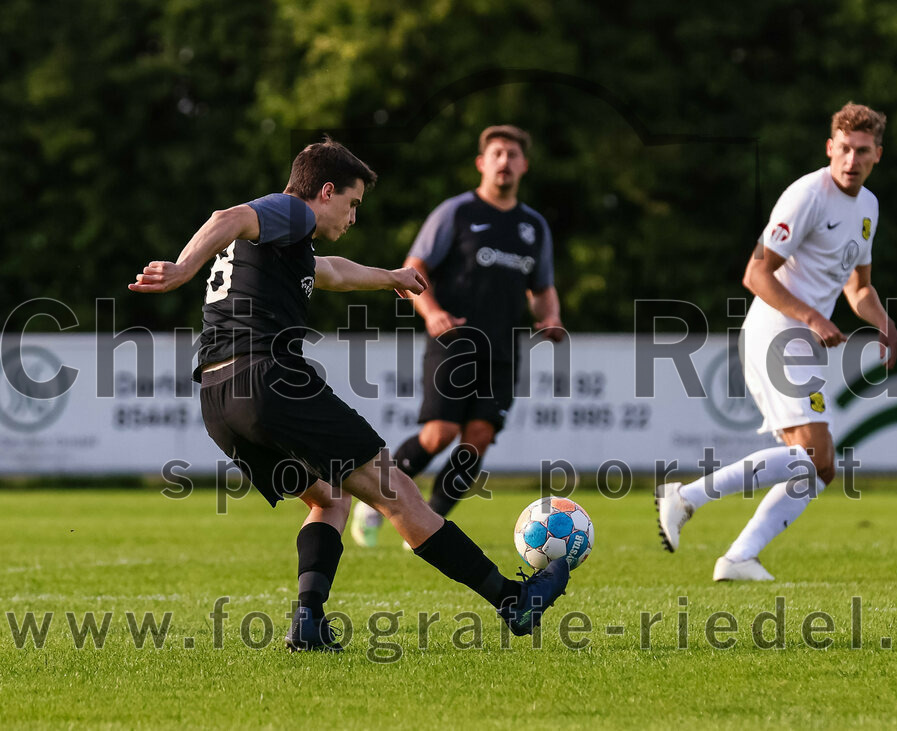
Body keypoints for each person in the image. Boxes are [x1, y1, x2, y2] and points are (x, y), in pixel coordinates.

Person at [128, 137, 569, 651]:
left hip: (219, 399)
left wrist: (391, 278)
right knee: (397, 493)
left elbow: (331, 270)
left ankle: (308, 622)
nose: (354, 216)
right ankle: (512, 601)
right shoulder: (292, 212)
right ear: (326, 191)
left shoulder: (281, 244)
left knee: (330, 498)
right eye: (353, 203)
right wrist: (182, 268)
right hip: (270, 382)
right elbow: (226, 215)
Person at [656, 103, 897, 581]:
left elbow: (858, 287)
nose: (852, 160)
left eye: (863, 151)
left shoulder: (868, 207)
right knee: (816, 456)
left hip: (803, 339)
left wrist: (887, 326)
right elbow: (755, 273)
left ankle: (739, 557)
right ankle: (686, 497)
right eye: (845, 149)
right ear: (830, 147)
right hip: (778, 330)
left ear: (878, 155)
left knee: (817, 468)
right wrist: (812, 315)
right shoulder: (808, 194)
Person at [351, 125, 564, 547]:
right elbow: (415, 266)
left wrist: (552, 317)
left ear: (524, 165)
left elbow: (541, 289)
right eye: (497, 153)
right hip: (454, 341)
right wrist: (431, 312)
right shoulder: (457, 212)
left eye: (513, 155)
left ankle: (426, 530)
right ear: (482, 163)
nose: (505, 161)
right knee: (440, 433)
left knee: (479, 438)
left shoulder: (533, 226)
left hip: (503, 347)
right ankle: (372, 500)